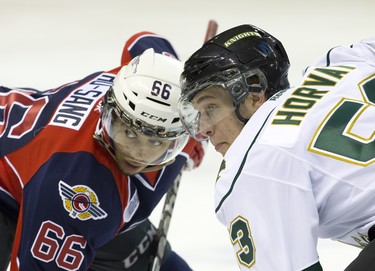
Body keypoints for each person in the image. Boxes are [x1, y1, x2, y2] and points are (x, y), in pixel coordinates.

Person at [177, 23, 375, 270]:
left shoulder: (254, 162)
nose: (202, 130)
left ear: (254, 94)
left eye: (211, 108)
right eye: (198, 114)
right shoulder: (342, 65)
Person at [0, 32, 203, 271]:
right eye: (128, 132)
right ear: (110, 111)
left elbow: (144, 42)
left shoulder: (139, 80)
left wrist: (198, 121)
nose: (137, 154)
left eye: (156, 143)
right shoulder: (74, 185)